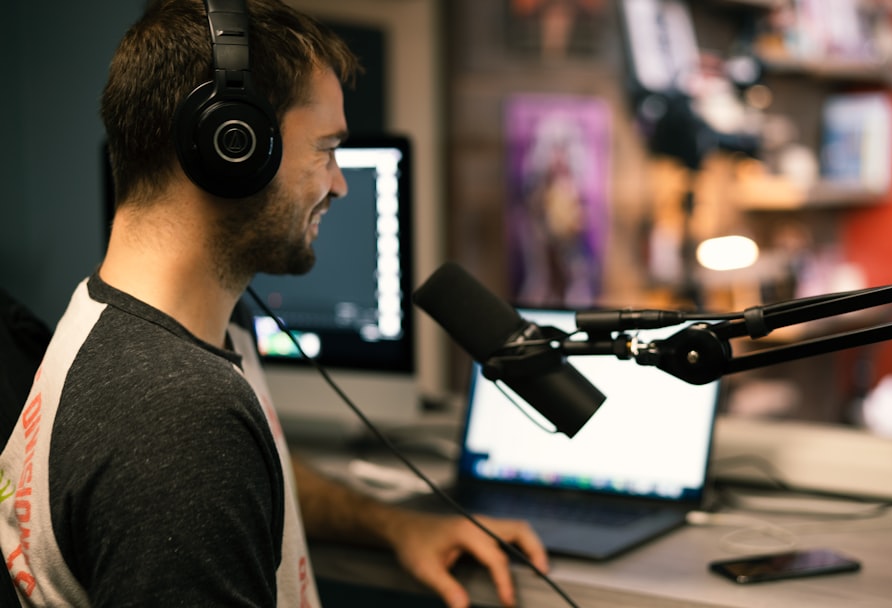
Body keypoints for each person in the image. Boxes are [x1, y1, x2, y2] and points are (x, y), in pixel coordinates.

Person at [0, 0, 548, 606]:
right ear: (231, 146)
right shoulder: (177, 416)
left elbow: (256, 481)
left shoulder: (127, 331)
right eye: (325, 148)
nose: (339, 182)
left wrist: (395, 523)